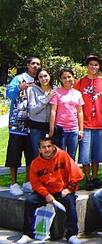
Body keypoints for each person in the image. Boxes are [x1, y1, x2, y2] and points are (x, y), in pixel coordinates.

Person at [16, 137, 84, 244]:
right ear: (39, 150)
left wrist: (69, 189)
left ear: (53, 147)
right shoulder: (35, 163)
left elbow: (77, 174)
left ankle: (72, 234)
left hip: (62, 190)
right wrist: (46, 194)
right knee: (29, 202)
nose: (47, 149)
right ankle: (28, 234)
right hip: (45, 192)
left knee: (70, 202)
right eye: (44, 147)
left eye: (49, 146)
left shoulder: (63, 156)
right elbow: (35, 184)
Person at [74, 54, 102, 190]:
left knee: (97, 153)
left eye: (96, 65)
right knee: (85, 153)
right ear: (87, 66)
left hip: (99, 123)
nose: (94, 67)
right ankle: (88, 177)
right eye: (91, 64)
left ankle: (95, 177)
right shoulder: (79, 83)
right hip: (84, 123)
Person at [6, 56, 41, 196]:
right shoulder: (19, 79)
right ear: (28, 65)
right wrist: (19, 88)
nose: (36, 66)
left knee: (32, 153)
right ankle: (13, 183)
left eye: (38, 64)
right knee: (14, 153)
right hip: (17, 123)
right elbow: (10, 94)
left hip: (34, 123)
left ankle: (28, 181)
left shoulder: (40, 80)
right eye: (33, 63)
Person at [49, 68, 84, 161]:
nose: (67, 79)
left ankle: (70, 175)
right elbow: (53, 111)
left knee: (71, 156)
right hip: (61, 129)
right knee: (59, 156)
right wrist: (52, 129)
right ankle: (60, 175)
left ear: (73, 77)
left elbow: (80, 112)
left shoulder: (77, 94)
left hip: (73, 130)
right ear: (60, 79)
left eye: (69, 77)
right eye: (64, 78)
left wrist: (81, 130)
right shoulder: (56, 93)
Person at [27, 69, 55, 159]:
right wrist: (47, 98)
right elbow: (33, 110)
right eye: (40, 77)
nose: (43, 79)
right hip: (36, 126)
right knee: (37, 154)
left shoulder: (55, 89)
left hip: (51, 126)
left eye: (45, 76)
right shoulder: (32, 90)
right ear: (38, 79)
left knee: (52, 154)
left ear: (50, 76)